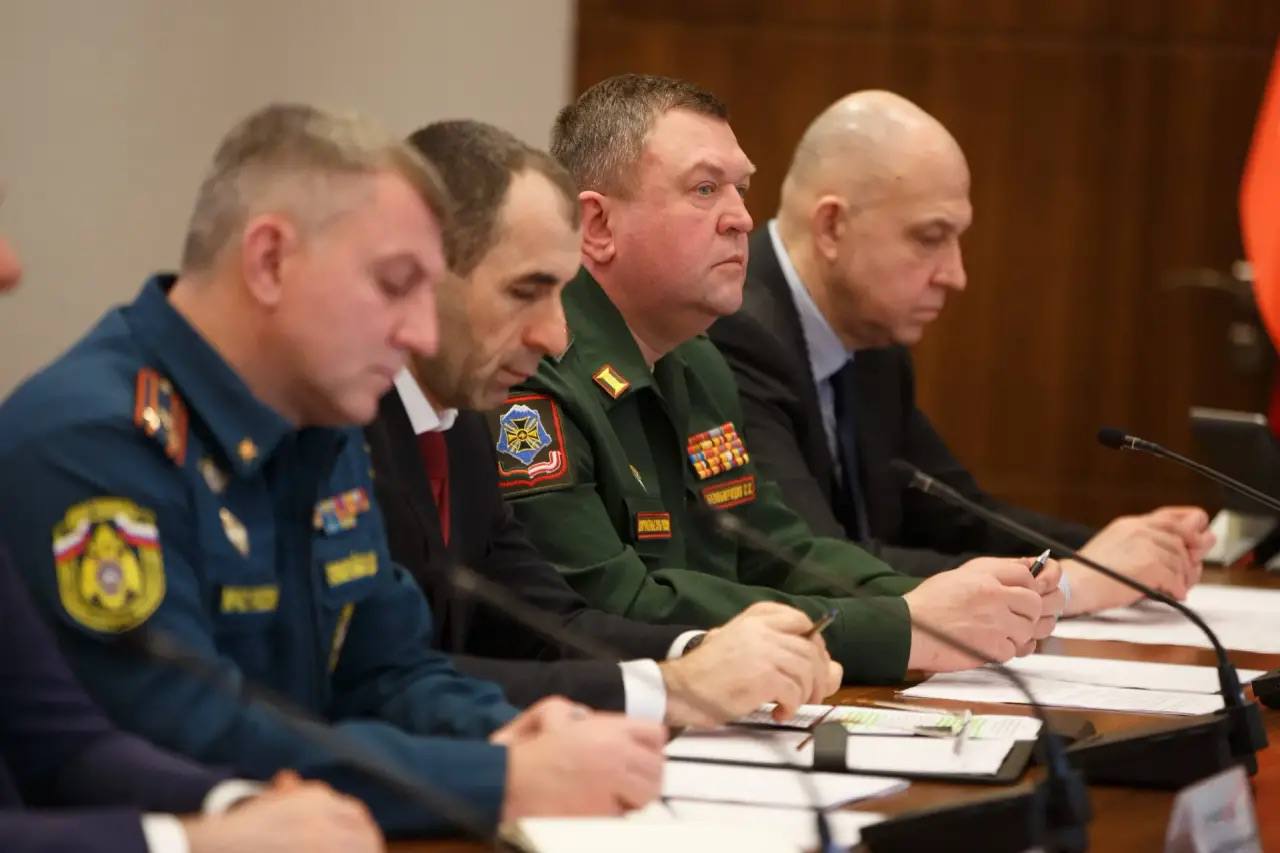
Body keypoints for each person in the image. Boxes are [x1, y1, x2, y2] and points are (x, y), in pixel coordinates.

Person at [0, 104, 665, 838]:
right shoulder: (91, 440)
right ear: (270, 262)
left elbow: (387, 670)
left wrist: (504, 732)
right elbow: (186, 732)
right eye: (394, 284)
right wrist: (497, 776)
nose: (419, 333)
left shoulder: (320, 420)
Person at [492, 74, 1064, 683]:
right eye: (705, 189)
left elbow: (778, 550)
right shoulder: (531, 376)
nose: (741, 218)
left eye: (741, 189)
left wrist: (932, 599)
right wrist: (902, 626)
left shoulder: (697, 362)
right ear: (598, 226)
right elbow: (614, 605)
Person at [365, 118, 841, 727]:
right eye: (525, 292)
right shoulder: (342, 432)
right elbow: (377, 681)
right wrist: (673, 688)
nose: (553, 335)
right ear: (419, 277)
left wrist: (701, 652)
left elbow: (545, 624)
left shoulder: (462, 424)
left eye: (561, 294)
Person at [707, 90, 1216, 614]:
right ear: (832, 227)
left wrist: (1110, 552)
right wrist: (1067, 581)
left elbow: (959, 516)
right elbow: (811, 564)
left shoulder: (872, 336)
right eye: (931, 238)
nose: (956, 275)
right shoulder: (733, 334)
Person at [0, 209, 382, 853]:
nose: (10, 267)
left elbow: (61, 742)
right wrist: (191, 841)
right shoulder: (85, 431)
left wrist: (247, 805)